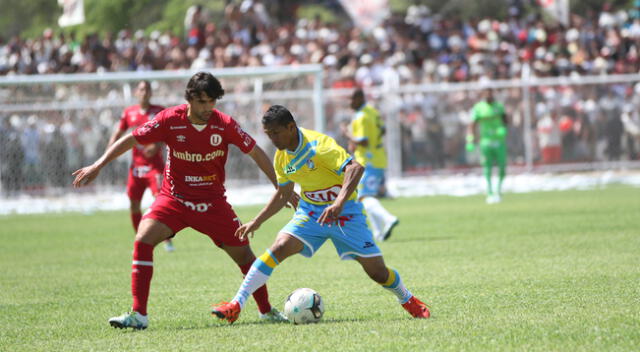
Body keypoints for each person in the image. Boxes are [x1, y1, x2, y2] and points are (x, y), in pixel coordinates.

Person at [73, 72, 293, 330]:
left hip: (212, 203)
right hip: (174, 200)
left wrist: (281, 187)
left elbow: (255, 152)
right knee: (143, 239)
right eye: (202, 102)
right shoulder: (169, 119)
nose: (208, 108)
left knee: (244, 254)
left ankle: (266, 311)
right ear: (189, 99)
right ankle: (139, 314)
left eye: (212, 102)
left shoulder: (224, 124)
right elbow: (133, 138)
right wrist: (99, 164)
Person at [211, 105, 430, 324]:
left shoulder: (319, 145)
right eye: (269, 135)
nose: (273, 139)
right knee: (278, 247)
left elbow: (355, 168)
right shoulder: (281, 158)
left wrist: (338, 203)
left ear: (290, 127)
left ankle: (407, 299)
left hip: (346, 214)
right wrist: (257, 221)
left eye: (276, 133)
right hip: (311, 212)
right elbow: (284, 193)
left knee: (378, 272)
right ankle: (236, 304)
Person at [106, 80, 174, 252]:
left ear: (151, 93)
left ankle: (167, 239)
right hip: (136, 168)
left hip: (155, 167)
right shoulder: (129, 112)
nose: (145, 92)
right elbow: (118, 133)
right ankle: (141, 239)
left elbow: (169, 133)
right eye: (142, 89)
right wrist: (107, 153)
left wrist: (157, 145)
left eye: (147, 89)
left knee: (161, 202)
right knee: (134, 204)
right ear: (137, 92)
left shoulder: (159, 111)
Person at [342, 89, 398, 242]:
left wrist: (347, 133)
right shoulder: (372, 111)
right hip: (378, 158)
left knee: (364, 196)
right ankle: (379, 233)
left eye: (352, 99)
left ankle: (388, 218)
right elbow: (383, 130)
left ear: (360, 98)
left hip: (367, 161)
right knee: (367, 196)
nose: (349, 103)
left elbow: (364, 141)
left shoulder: (361, 117)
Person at [466, 88, 508, 204]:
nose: (488, 95)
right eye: (486, 93)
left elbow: (505, 121)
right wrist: (470, 140)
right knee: (487, 167)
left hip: (499, 142)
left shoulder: (499, 107)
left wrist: (503, 129)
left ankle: (498, 191)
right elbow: (472, 125)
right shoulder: (478, 108)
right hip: (485, 141)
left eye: (490, 93)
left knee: (502, 167)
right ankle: (489, 192)